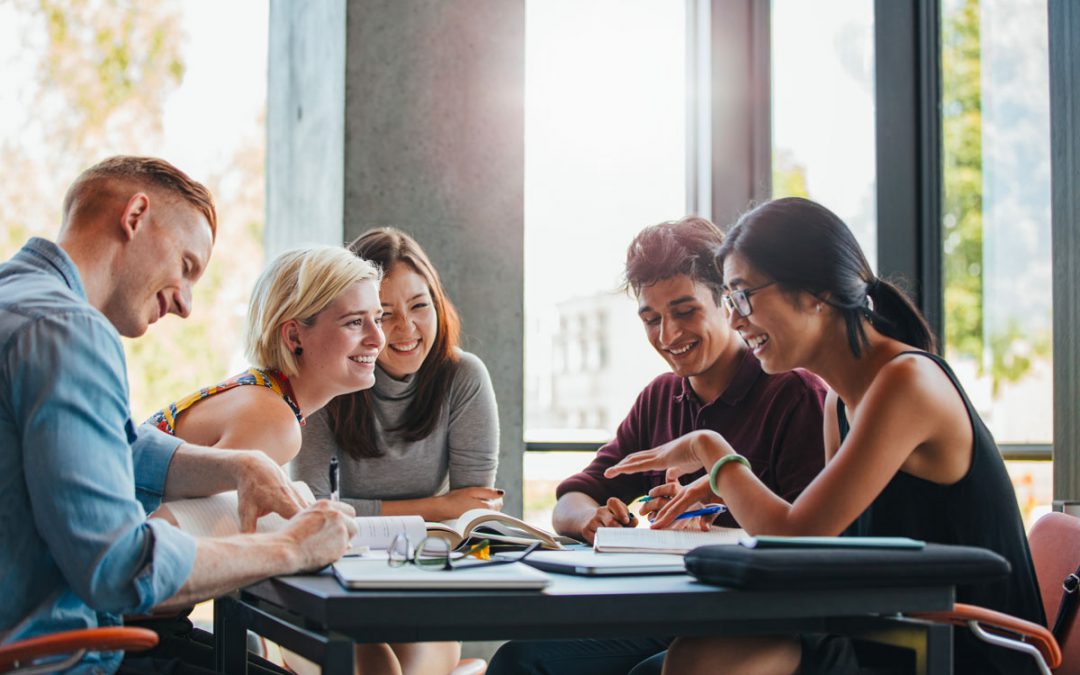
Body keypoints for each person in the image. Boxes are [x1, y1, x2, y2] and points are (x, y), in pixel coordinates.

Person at [604, 197, 1045, 675]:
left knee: (700, 661)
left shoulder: (905, 384)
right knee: (690, 657)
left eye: (744, 296)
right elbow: (820, 550)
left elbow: (795, 538)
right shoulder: (840, 401)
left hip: (960, 650)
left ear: (815, 291)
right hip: (889, 632)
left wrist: (710, 451)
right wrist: (723, 483)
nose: (733, 319)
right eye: (730, 301)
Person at [0, 156, 358, 675]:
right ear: (136, 215)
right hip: (53, 660)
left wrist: (240, 466)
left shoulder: (19, 302)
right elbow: (121, 568)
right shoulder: (67, 329)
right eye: (186, 266)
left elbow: (123, 447)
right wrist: (289, 547)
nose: (186, 304)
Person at [487, 215, 827, 675]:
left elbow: (809, 544)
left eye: (685, 312)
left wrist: (713, 507)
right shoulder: (660, 397)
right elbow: (571, 498)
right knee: (519, 661)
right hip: (669, 615)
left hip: (758, 623)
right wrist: (592, 519)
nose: (668, 336)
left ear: (728, 302)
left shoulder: (793, 394)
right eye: (651, 319)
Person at [292, 227, 501, 675]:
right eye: (384, 314)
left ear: (438, 303)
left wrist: (446, 511)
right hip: (330, 587)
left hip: (421, 586)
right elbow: (310, 512)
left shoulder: (463, 376)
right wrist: (435, 506)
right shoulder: (325, 379)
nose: (406, 329)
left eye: (420, 306)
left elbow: (471, 517)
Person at [146, 245, 385, 467]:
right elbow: (171, 513)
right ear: (294, 336)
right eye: (354, 322)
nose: (378, 339)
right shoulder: (273, 422)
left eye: (378, 319)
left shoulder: (264, 395)